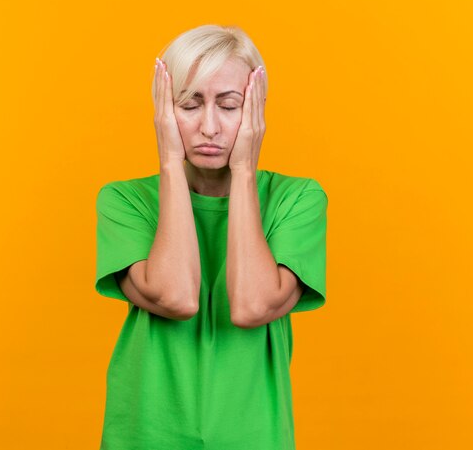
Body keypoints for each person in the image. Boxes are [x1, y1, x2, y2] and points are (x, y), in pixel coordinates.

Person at [95, 24, 328, 450]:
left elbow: (252, 306)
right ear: (164, 112)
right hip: (145, 435)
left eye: (229, 105)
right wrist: (169, 161)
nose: (209, 126)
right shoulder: (124, 201)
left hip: (253, 435)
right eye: (189, 104)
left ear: (255, 111)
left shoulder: (296, 199)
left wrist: (244, 171)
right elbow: (177, 297)